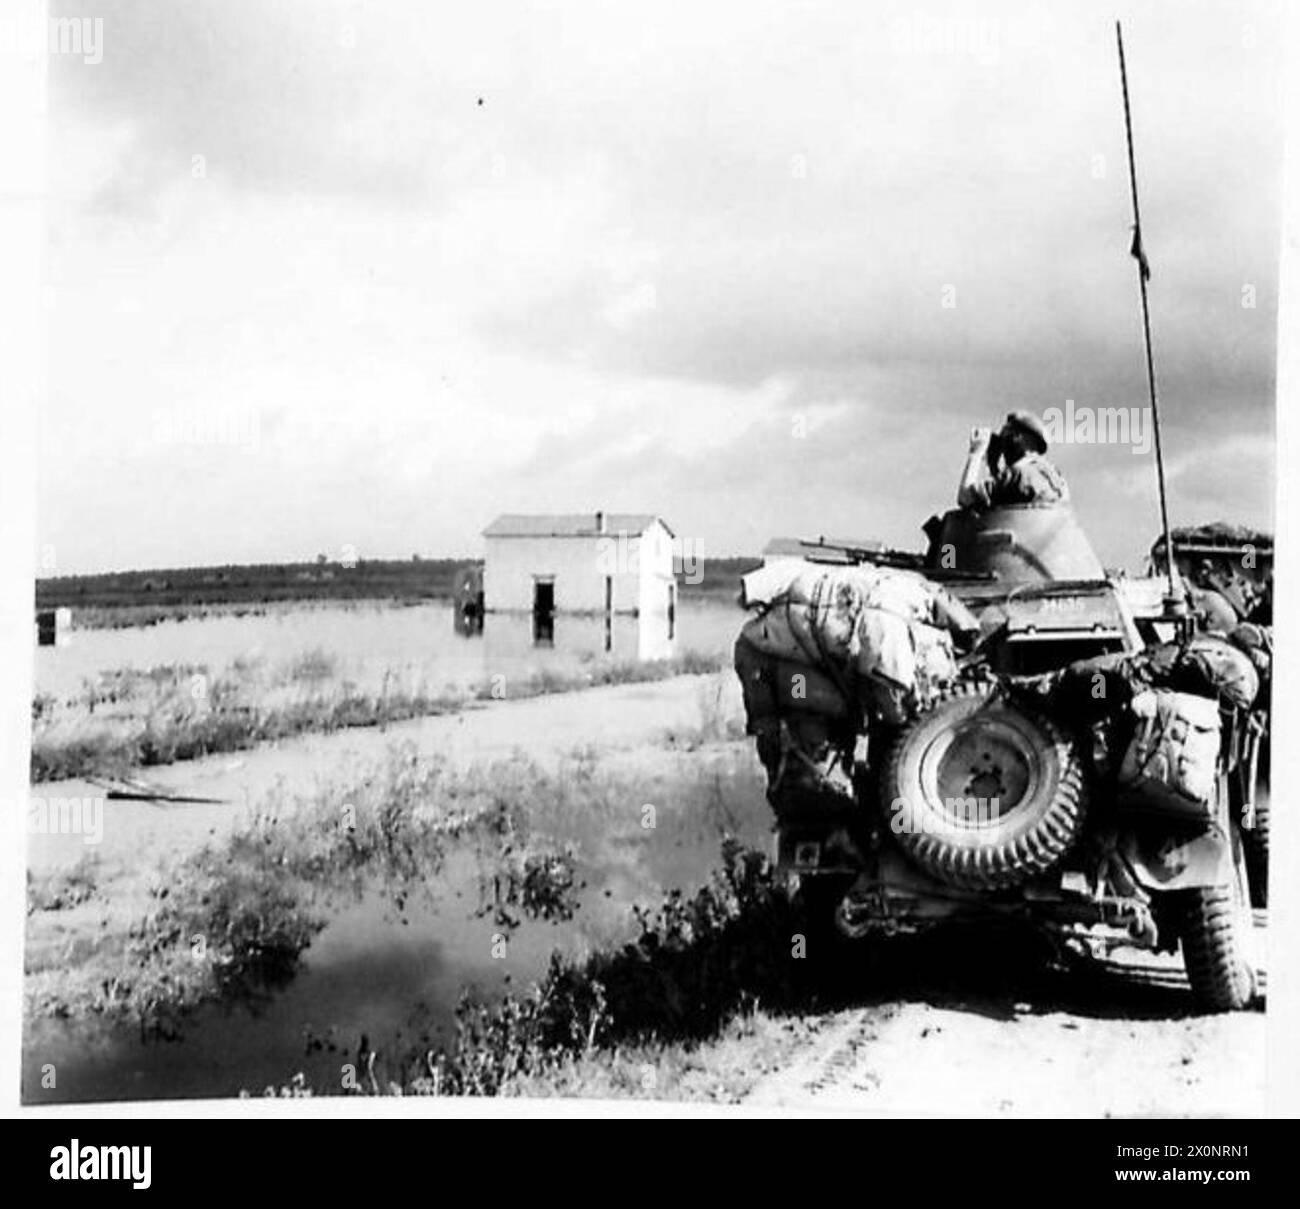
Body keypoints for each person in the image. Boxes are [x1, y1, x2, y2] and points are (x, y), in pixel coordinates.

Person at [957, 410, 1069, 509]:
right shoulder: (1056, 478)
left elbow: (965, 497)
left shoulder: (1018, 473)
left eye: (1006, 433)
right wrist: (993, 466)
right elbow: (1006, 501)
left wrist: (976, 452)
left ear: (1020, 438)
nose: (1003, 444)